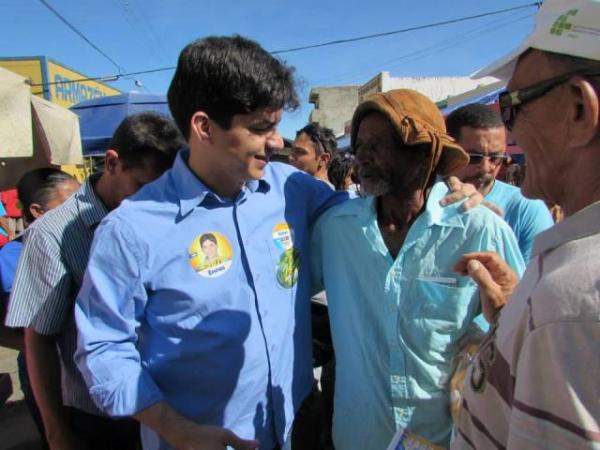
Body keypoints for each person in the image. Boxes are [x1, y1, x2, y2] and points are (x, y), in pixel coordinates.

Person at [73, 35, 348, 450]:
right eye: (260, 128)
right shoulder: (132, 230)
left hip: (298, 423)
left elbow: (364, 222)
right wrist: (176, 429)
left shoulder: (292, 188)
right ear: (203, 127)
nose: (277, 142)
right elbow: (103, 349)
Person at [310, 89, 525, 449]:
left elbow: (520, 330)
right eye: (360, 143)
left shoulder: (479, 229)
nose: (362, 153)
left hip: (447, 438)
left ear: (426, 154)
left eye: (379, 143)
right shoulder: (335, 230)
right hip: (359, 438)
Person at [451, 0, 600, 448]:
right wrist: (514, 316)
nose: (508, 142)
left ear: (578, 109)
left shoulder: (573, 302)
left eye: (513, 106)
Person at [5, 112, 184, 450]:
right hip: (101, 420)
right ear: (112, 162)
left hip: (168, 406)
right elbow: (39, 339)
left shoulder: (166, 219)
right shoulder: (53, 234)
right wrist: (57, 432)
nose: (153, 202)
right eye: (142, 188)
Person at [0, 168, 79, 448]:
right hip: (43, 367)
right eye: (71, 203)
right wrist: (35, 349)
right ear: (37, 210)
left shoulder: (84, 244)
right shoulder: (9, 257)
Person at [446, 103, 553, 261]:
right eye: (474, 157)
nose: (485, 167)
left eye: (496, 158)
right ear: (448, 151)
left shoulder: (526, 209)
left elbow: (538, 280)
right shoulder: (425, 199)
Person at [290, 123, 337, 188]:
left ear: (323, 159)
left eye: (299, 151)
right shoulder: (300, 188)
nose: (290, 157)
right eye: (292, 151)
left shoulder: (323, 195)